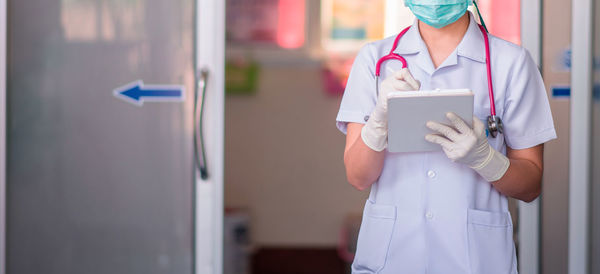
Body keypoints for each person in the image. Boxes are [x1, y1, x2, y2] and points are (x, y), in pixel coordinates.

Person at [335, 1, 557, 273]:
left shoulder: (512, 63)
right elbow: (358, 177)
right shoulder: (374, 59)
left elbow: (531, 185)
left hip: (476, 261)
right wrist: (378, 124)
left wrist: (486, 159)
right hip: (392, 259)